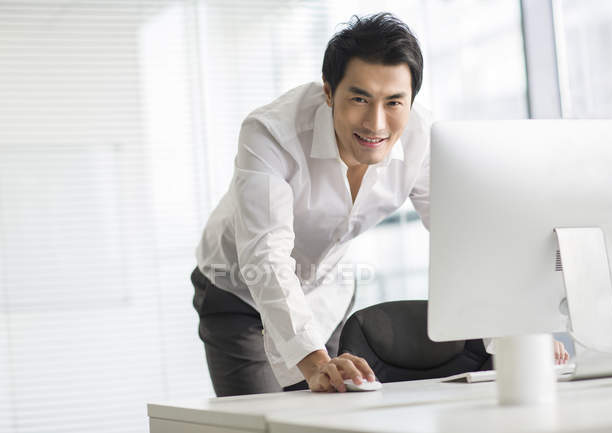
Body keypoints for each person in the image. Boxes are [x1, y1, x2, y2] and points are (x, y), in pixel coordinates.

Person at [192, 12, 568, 397]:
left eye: (393, 102)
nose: (376, 123)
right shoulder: (270, 133)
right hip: (237, 287)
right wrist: (315, 361)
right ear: (328, 91)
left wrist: (516, 331)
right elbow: (266, 257)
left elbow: (464, 238)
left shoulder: (422, 138)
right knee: (257, 418)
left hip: (326, 293)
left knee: (330, 412)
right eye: (359, 98)